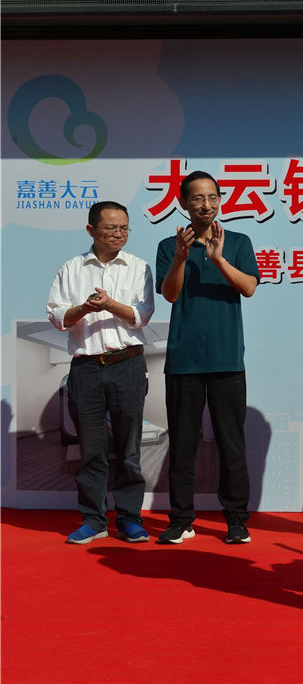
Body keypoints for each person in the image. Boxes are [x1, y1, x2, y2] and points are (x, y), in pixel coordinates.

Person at [155, 170, 260, 545]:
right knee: (183, 444)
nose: (206, 204)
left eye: (212, 197)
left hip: (227, 359)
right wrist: (182, 257)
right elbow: (169, 294)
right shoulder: (170, 245)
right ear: (183, 204)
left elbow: (249, 287)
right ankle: (181, 519)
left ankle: (236, 519)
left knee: (232, 443)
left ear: (220, 200)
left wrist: (217, 259)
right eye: (197, 198)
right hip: (184, 360)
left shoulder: (239, 241)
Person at [47, 201, 154, 544]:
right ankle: (93, 519)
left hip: (128, 364)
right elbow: (58, 316)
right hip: (87, 369)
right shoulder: (71, 268)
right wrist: (84, 308)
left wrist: (109, 305)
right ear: (91, 230)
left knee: (129, 448)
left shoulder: (138, 267)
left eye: (124, 228)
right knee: (91, 449)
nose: (118, 234)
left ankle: (129, 518)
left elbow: (141, 315)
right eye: (111, 228)